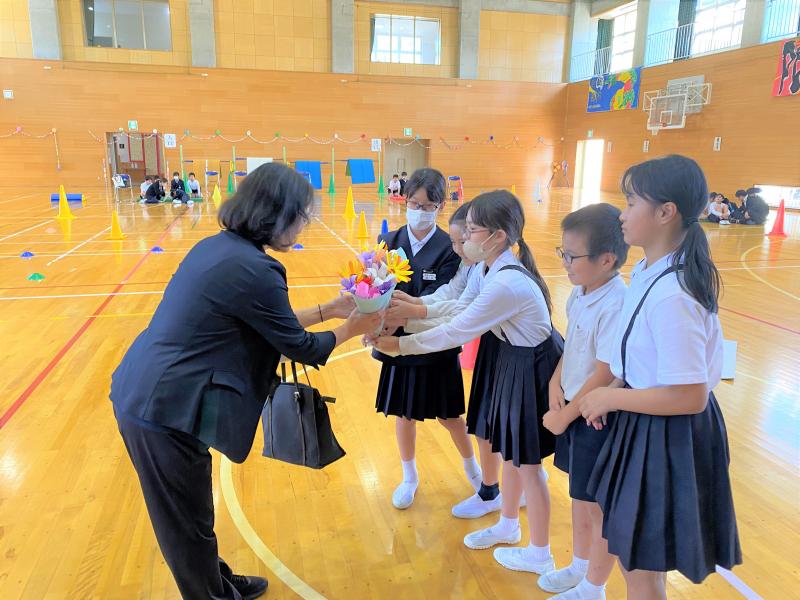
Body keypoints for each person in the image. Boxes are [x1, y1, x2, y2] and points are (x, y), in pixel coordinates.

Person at [110, 163, 383, 600]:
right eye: (301, 216)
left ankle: (215, 581)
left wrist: (330, 309)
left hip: (157, 392)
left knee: (193, 514)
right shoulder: (257, 268)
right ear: (276, 214)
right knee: (184, 524)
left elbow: (270, 324)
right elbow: (302, 348)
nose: (303, 226)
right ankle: (211, 594)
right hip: (162, 406)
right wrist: (354, 326)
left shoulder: (220, 248)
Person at [372, 190, 562, 576]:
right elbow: (458, 306)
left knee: (526, 463)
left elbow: (457, 329)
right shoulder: (487, 269)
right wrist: (412, 314)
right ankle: (508, 524)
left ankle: (540, 552)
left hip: (531, 366)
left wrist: (400, 344)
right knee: (509, 450)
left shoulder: (506, 282)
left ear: (497, 236)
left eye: (471, 231)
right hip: (512, 358)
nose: (463, 240)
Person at [578, 155, 741, 599]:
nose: (622, 213)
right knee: (636, 557)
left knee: (640, 563)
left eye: (632, 202)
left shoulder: (675, 294)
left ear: (665, 212)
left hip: (669, 431)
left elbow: (689, 396)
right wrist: (614, 389)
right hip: (646, 419)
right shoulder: (649, 270)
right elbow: (638, 357)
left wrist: (610, 398)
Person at [372, 168, 481, 511]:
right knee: (403, 414)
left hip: (436, 342)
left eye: (428, 206)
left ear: (440, 206)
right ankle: (409, 477)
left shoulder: (451, 248)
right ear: (404, 200)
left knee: (450, 416)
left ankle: (475, 472)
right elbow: (375, 288)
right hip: (396, 342)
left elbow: (445, 298)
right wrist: (376, 322)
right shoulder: (388, 241)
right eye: (415, 204)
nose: (420, 211)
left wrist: (408, 315)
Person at [539, 203, 628, 600]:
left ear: (606, 260)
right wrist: (555, 382)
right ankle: (578, 566)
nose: (565, 263)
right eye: (563, 252)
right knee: (579, 495)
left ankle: (594, 586)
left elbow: (606, 373)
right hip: (574, 406)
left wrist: (566, 416)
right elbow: (573, 344)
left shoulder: (615, 303)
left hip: (594, 415)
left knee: (597, 505)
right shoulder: (580, 292)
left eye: (572, 256)